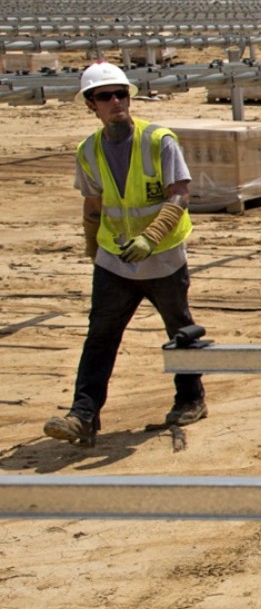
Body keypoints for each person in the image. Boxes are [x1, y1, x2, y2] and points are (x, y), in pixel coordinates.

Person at [44, 63, 205, 446]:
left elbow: (179, 195)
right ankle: (83, 414)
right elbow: (93, 205)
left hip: (162, 257)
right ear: (90, 105)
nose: (116, 102)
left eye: (121, 94)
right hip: (114, 261)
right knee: (100, 335)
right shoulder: (89, 150)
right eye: (105, 96)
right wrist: (91, 247)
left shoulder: (158, 140)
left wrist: (150, 237)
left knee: (180, 329)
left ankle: (190, 398)